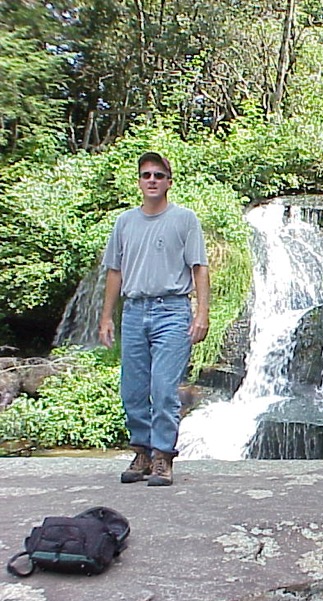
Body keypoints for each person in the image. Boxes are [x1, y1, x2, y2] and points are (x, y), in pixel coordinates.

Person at [99, 152, 210, 486]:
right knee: (132, 390)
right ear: (139, 181)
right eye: (146, 175)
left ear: (168, 182)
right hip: (133, 312)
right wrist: (106, 316)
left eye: (159, 175)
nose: (152, 180)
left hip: (172, 311)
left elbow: (199, 268)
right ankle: (142, 453)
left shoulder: (184, 219)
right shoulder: (124, 223)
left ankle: (163, 457)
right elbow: (115, 272)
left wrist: (202, 313)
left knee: (163, 389)